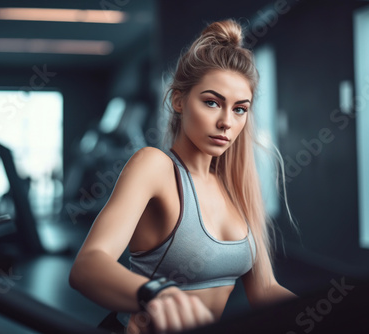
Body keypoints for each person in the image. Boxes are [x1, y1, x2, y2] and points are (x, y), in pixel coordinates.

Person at [69, 19, 298, 334]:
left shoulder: (238, 185)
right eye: (211, 102)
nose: (226, 122)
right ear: (178, 100)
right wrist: (153, 294)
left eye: (239, 109)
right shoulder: (154, 166)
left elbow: (265, 290)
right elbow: (87, 267)